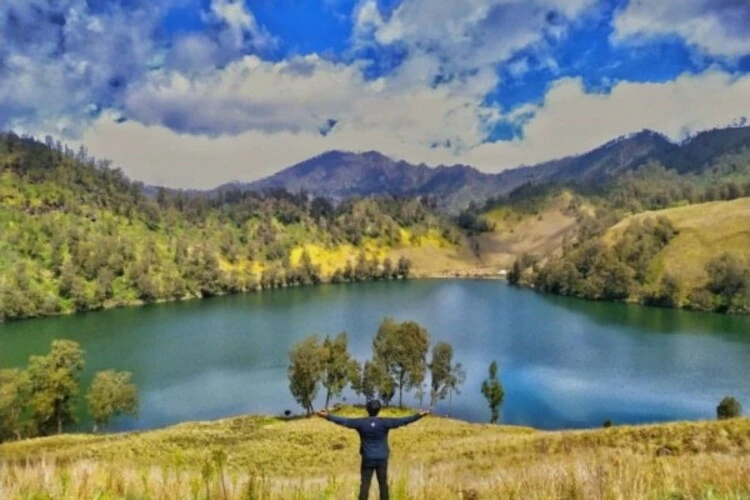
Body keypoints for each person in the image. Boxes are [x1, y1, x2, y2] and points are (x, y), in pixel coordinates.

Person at [316, 400, 429, 500]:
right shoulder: (385, 422)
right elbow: (403, 420)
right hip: (382, 458)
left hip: (367, 459)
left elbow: (343, 421)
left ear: (367, 409)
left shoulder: (361, 423)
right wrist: (418, 415)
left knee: (365, 484)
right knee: (383, 484)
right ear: (379, 410)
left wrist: (327, 416)